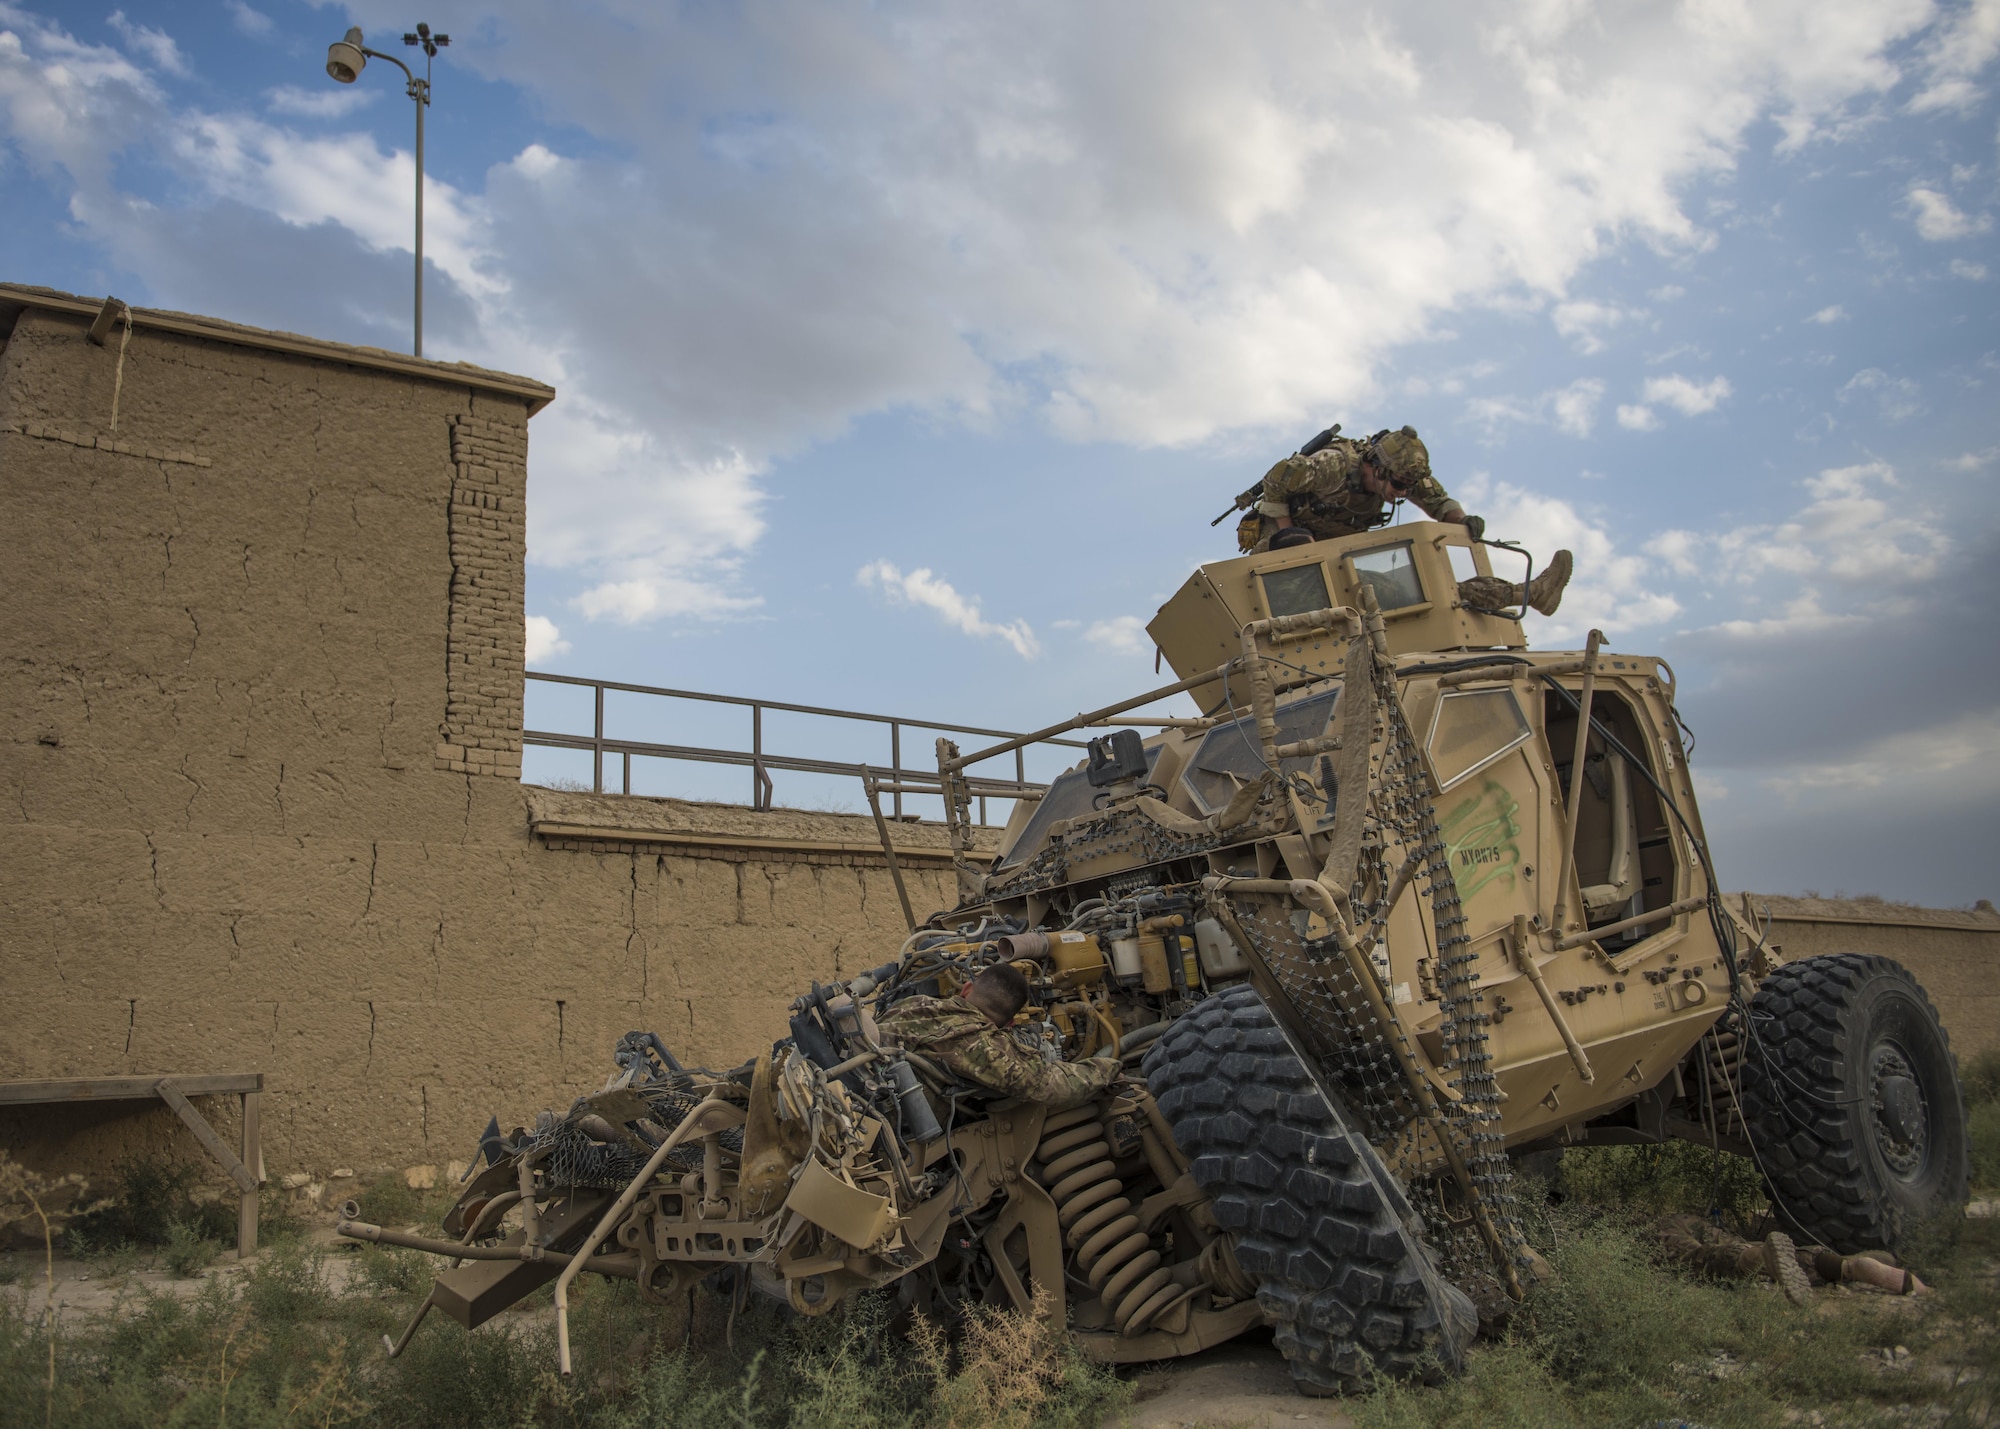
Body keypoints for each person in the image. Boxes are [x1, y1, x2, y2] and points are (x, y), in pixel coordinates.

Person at [1230, 425, 1574, 618]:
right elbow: (1277, 481)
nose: (1401, 494)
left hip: (1336, 551)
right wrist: (1290, 533)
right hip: (1285, 541)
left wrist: (1462, 520)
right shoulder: (1332, 466)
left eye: (1407, 488)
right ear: (1375, 467)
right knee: (1286, 594)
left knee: (1423, 594)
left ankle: (1529, 594)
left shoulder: (1404, 476)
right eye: (1396, 486)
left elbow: (1438, 502)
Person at [876, 963, 1121, 1110]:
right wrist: (1107, 1068)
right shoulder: (983, 1046)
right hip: (896, 1124)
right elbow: (1051, 1086)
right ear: (1010, 1023)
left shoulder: (911, 1004)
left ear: (966, 989)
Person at [1652, 1214, 1929, 1306]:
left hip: (1659, 1232)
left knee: (1696, 1262)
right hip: (1688, 1220)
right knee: (1737, 1244)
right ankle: (1845, 1266)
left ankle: (1758, 1258)